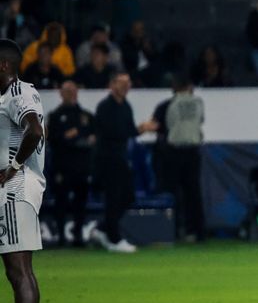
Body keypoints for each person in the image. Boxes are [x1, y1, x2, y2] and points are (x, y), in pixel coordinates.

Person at [0, 39, 46, 303]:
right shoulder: (11, 95)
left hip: (15, 189)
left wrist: (13, 168)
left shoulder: (17, 93)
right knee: (14, 269)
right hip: (10, 189)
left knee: (19, 269)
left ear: (3, 65)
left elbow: (34, 130)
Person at [92, 72, 154, 253]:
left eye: (128, 83)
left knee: (128, 196)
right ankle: (114, 239)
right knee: (113, 198)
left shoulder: (126, 106)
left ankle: (103, 228)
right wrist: (138, 129)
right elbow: (113, 132)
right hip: (107, 159)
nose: (126, 86)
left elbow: (128, 131)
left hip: (121, 158)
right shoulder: (105, 107)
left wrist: (141, 129)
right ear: (112, 85)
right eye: (122, 83)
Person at [46, 81, 94, 247]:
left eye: (74, 91)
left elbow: (94, 135)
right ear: (61, 94)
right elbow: (52, 139)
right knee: (61, 201)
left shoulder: (86, 115)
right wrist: (67, 137)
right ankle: (60, 236)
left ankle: (78, 235)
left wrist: (86, 139)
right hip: (63, 166)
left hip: (82, 166)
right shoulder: (56, 116)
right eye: (68, 91)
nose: (72, 94)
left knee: (81, 202)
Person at [161, 79, 207, 241]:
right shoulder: (199, 103)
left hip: (174, 151)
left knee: (172, 192)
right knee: (194, 193)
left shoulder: (169, 104)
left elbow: (168, 125)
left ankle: (172, 231)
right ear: (190, 87)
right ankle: (197, 231)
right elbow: (201, 120)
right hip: (193, 151)